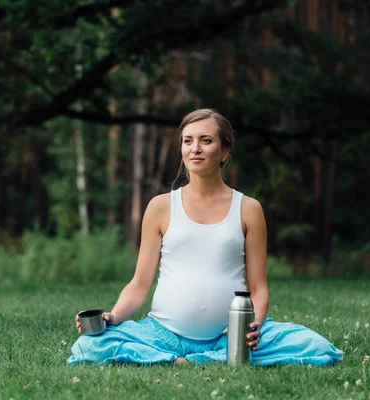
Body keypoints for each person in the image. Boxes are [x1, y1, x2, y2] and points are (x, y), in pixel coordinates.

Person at [68, 108, 343, 366]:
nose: (195, 148)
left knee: (316, 346)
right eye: (188, 141)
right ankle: (180, 358)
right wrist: (113, 317)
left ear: (225, 151)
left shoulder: (249, 208)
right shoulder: (160, 207)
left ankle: (195, 356)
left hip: (230, 336)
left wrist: (253, 326)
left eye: (206, 140)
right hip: (163, 334)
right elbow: (139, 284)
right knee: (87, 346)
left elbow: (259, 289)